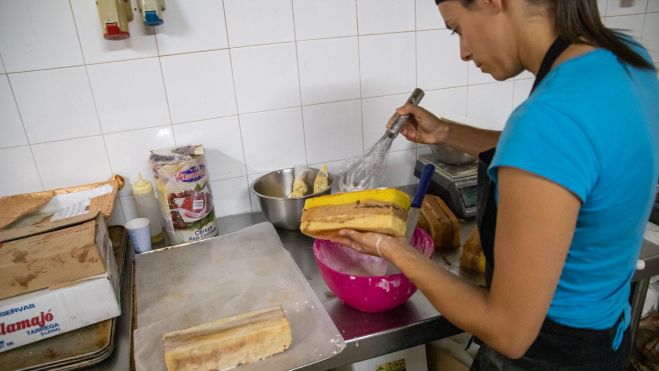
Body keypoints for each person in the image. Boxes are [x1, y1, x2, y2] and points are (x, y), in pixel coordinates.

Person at [331, 0, 659, 369]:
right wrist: (448, 133)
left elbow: (508, 332)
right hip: (606, 345)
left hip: (546, 357)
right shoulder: (629, 61)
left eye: (457, 28)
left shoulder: (546, 121)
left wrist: (391, 248)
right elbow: (571, 157)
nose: (464, 52)